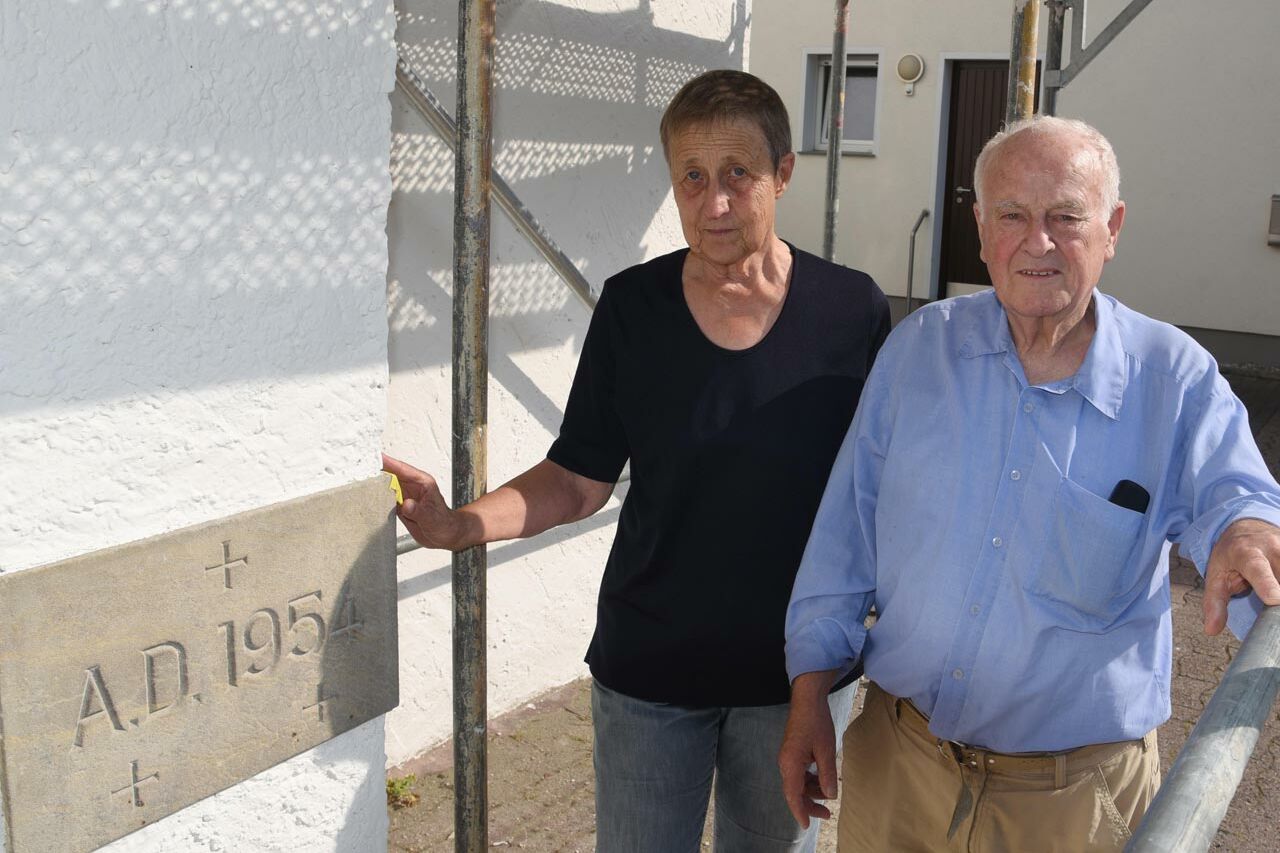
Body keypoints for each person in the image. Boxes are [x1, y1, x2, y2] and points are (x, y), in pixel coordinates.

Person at [385, 69, 889, 852]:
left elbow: (879, 495)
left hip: (795, 680)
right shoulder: (632, 307)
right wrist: (459, 526)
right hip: (650, 675)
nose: (714, 202)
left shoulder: (850, 309)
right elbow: (577, 477)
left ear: (783, 173)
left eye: (737, 175)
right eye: (692, 177)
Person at [778, 115, 1280, 852]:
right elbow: (844, 536)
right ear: (981, 229)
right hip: (900, 772)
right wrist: (809, 694)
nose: (1036, 242)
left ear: (1112, 228)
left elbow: (1241, 502)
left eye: (1065, 217)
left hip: (1075, 806)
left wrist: (1246, 530)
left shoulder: (1172, 377)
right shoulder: (919, 350)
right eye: (1011, 215)